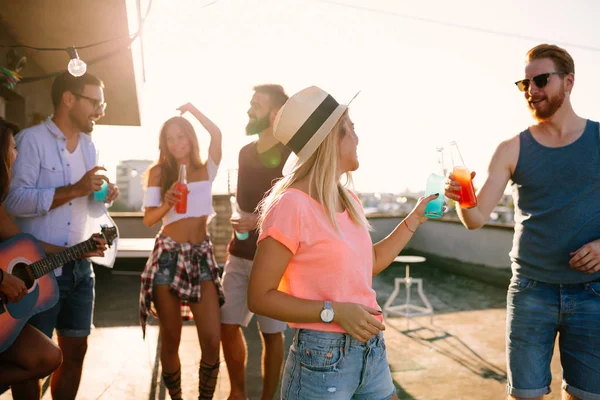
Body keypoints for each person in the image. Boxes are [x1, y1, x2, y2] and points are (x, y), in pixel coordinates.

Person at [247, 86, 437, 400]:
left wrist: (414, 219)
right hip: (321, 360)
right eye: (350, 129)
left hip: (371, 351)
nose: (357, 138)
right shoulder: (291, 205)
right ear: (330, 141)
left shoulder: (348, 200)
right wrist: (332, 312)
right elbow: (259, 297)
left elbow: (368, 264)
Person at [444, 44, 600, 400]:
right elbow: (476, 218)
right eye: (524, 83)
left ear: (569, 81)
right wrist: (462, 197)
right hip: (532, 293)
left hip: (594, 292)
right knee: (525, 396)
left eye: (541, 80)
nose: (532, 91)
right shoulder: (510, 148)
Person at [4, 71, 118, 400]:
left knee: (75, 353)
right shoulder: (30, 140)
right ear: (69, 99)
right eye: (95, 102)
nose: (100, 110)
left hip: (81, 268)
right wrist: (76, 189)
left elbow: (87, 203)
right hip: (36, 271)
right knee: (35, 360)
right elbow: (13, 200)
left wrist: (103, 195)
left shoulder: (90, 146)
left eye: (102, 103)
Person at [140, 103, 224, 400]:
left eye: (182, 136)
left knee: (213, 339)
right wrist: (168, 201)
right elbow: (150, 219)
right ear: (163, 144)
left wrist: (194, 111)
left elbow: (216, 133)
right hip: (169, 256)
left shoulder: (206, 170)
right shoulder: (159, 173)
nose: (177, 143)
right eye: (170, 139)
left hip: (201, 255)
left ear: (191, 137)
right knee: (171, 339)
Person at [221, 84, 290, 400]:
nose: (250, 109)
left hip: (274, 262)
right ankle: (237, 393)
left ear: (276, 113)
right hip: (238, 254)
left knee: (272, 334)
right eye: (250, 103)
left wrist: (257, 222)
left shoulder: (294, 156)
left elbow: (295, 209)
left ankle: (267, 398)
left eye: (257, 104)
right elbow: (244, 203)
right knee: (226, 323)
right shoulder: (245, 153)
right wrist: (242, 224)